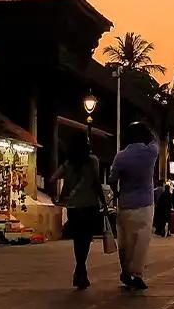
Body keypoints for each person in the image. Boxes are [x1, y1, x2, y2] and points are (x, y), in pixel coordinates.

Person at [109, 121, 160, 290]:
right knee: (141, 241)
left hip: (125, 203)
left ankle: (125, 270)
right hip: (145, 203)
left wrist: (117, 193)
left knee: (125, 241)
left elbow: (112, 180)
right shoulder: (150, 153)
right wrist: (150, 131)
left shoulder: (121, 156)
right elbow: (156, 141)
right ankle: (137, 273)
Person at [52, 132, 103, 289]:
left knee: (77, 240)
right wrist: (104, 202)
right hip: (89, 205)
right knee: (85, 240)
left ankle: (80, 271)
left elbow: (53, 178)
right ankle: (80, 270)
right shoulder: (93, 161)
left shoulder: (68, 164)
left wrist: (60, 195)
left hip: (73, 207)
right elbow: (97, 182)